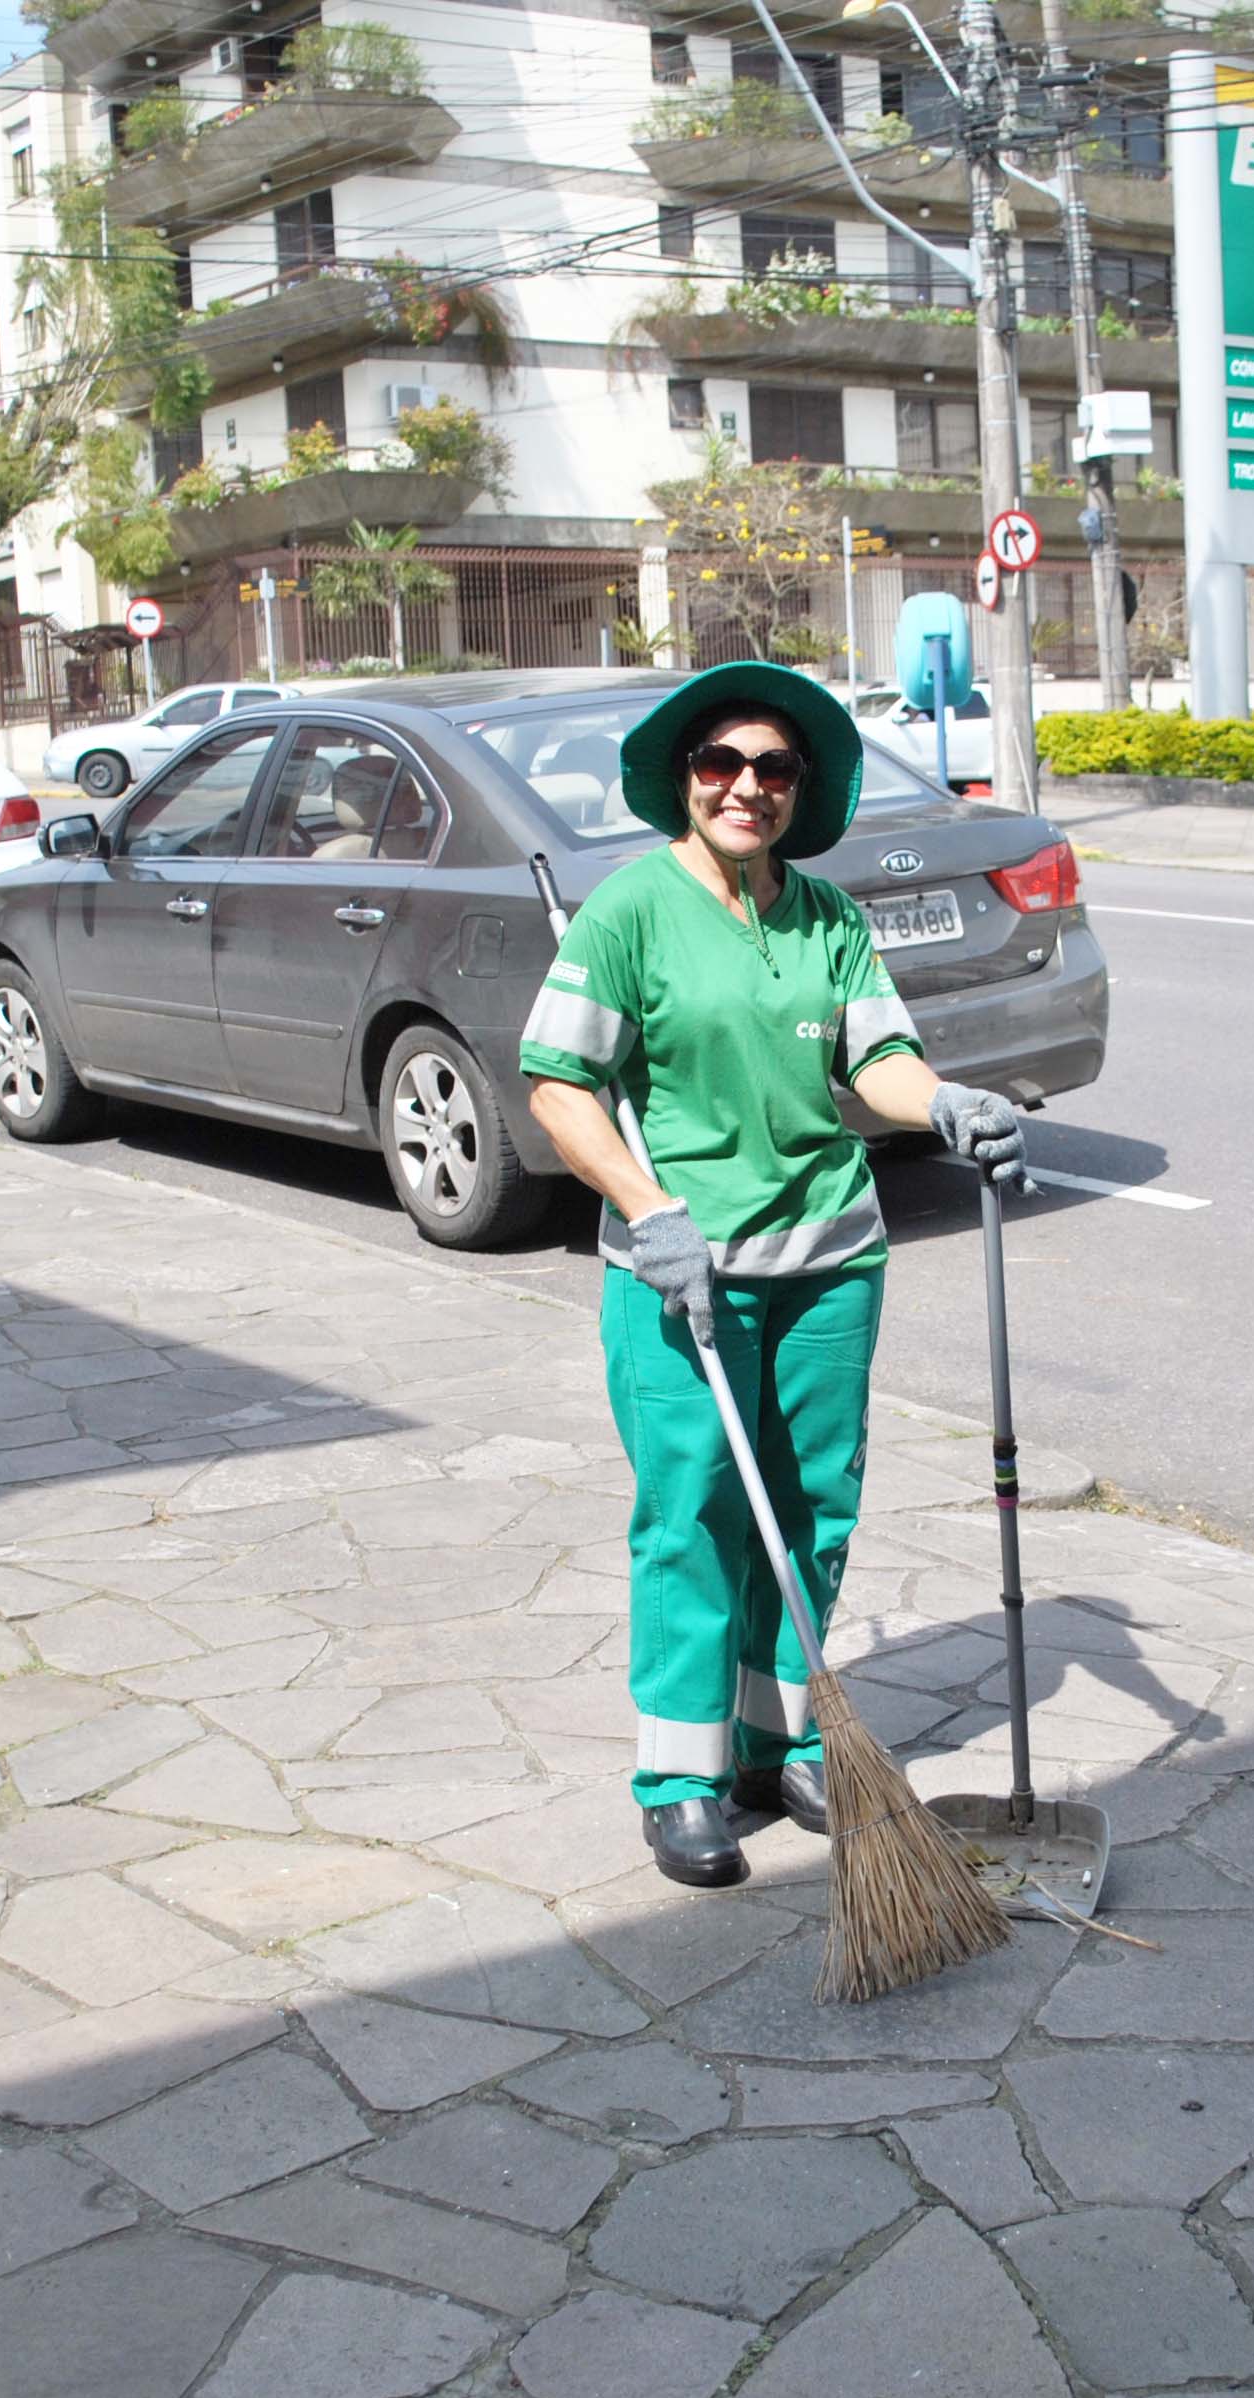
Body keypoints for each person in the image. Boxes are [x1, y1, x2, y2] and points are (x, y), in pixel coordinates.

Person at [520, 661, 1029, 1889]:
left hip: (829, 1262)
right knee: (690, 1517)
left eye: (774, 769)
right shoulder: (627, 912)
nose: (745, 786)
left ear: (801, 789)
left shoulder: (825, 919)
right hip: (681, 1273)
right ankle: (683, 1780)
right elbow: (556, 1088)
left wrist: (944, 1102)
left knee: (813, 1508)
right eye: (720, 764)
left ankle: (777, 1738)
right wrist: (647, 1212)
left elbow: (881, 1058)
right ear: (683, 779)